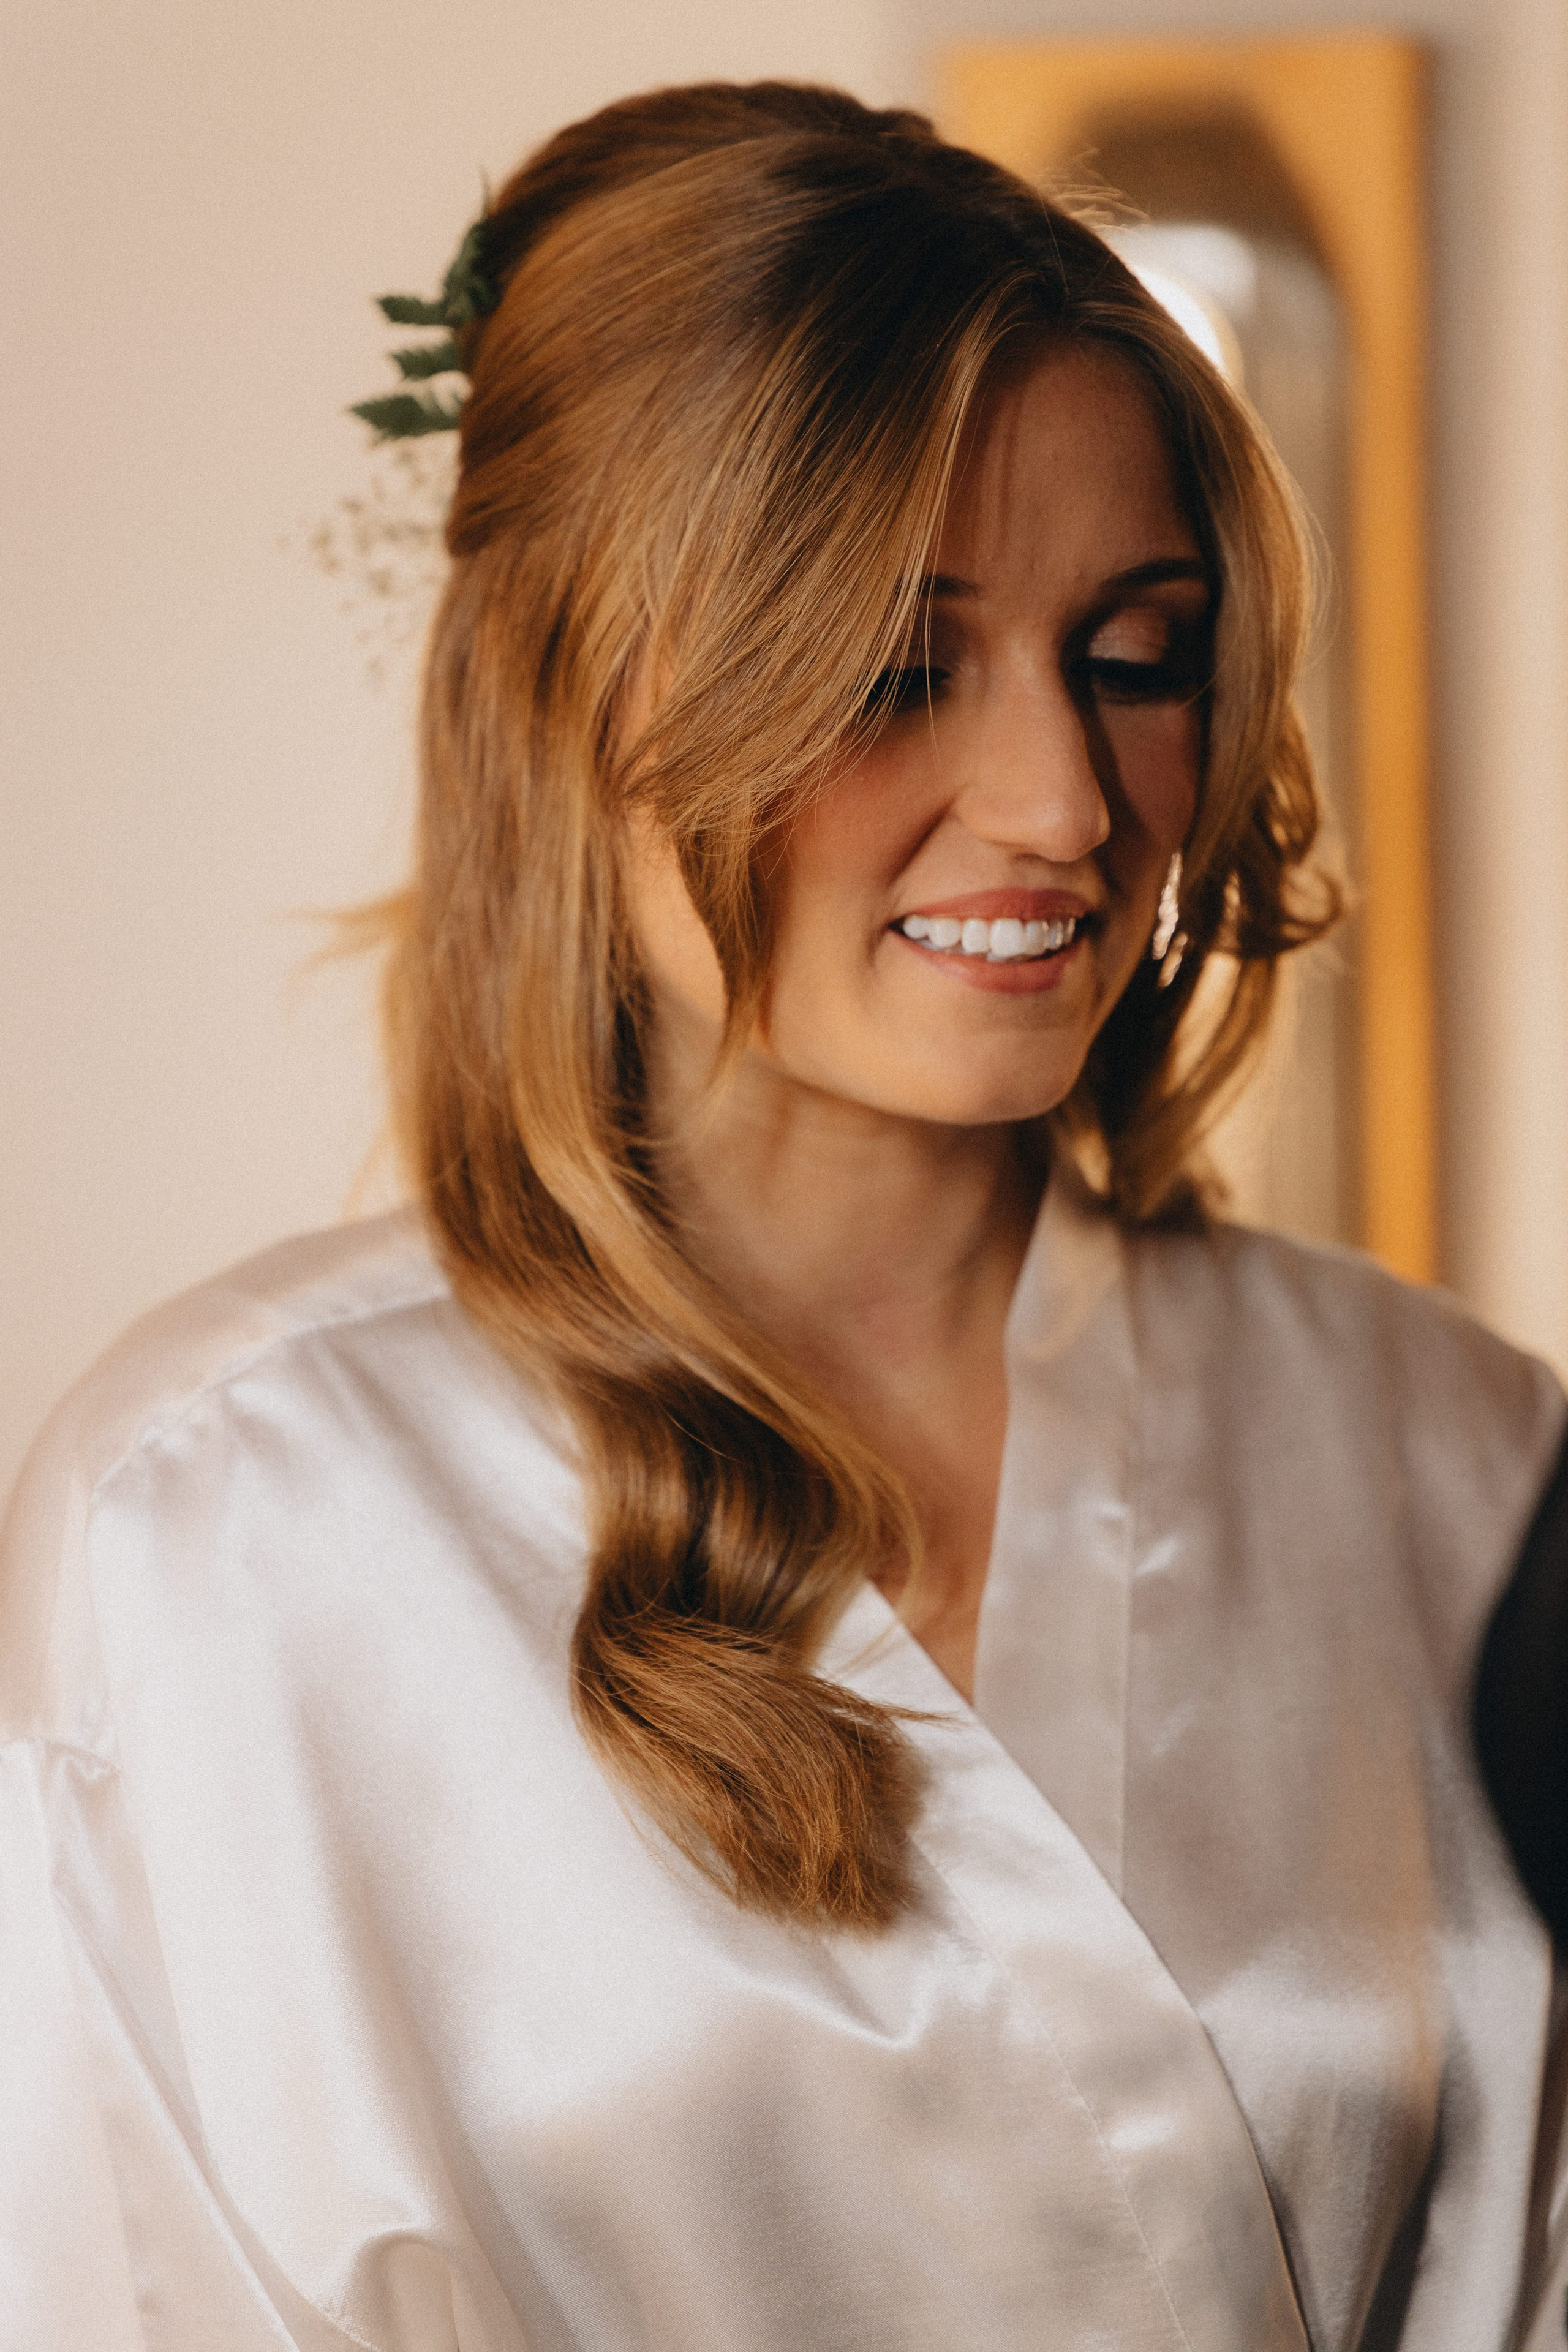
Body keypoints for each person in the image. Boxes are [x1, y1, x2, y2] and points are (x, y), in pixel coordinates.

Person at [2, 80, 1564, 2352]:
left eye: (1135, 653)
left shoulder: (1470, 1462)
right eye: (892, 669)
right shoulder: (225, 1522)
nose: (1055, 799)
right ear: (574, 696)